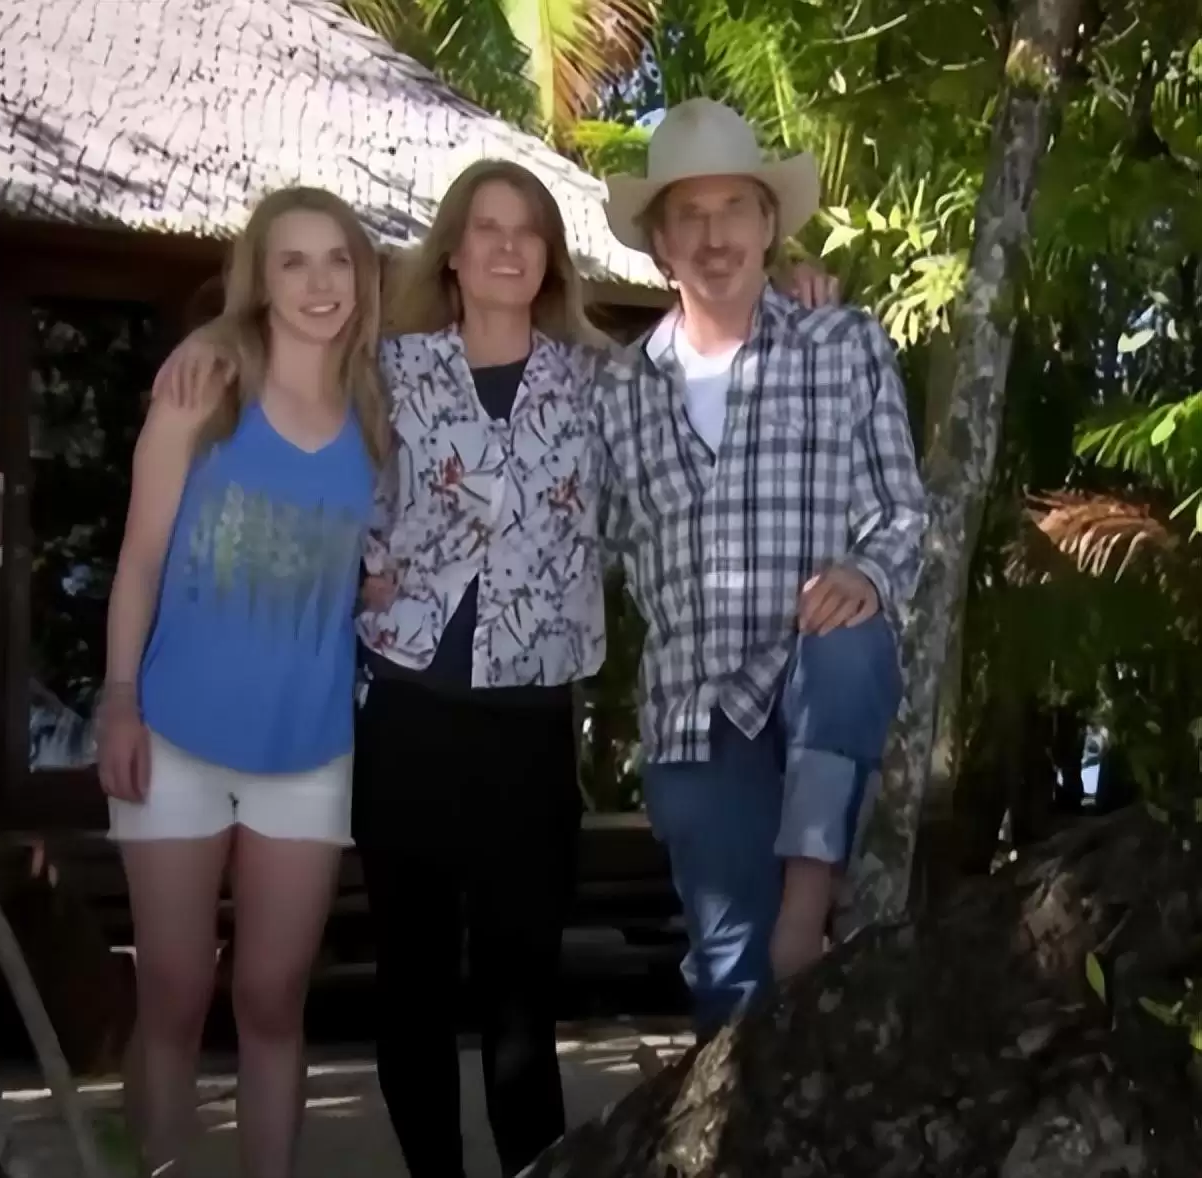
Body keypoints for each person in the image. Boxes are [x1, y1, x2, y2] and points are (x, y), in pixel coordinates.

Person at [149, 159, 837, 1178]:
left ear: (549, 257)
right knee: (413, 987)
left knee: (522, 995)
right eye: (486, 228)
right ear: (453, 253)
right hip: (404, 714)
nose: (507, 247)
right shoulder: (387, 367)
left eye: (527, 231)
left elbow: (710, 348)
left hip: (528, 723)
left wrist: (792, 289)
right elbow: (281, 337)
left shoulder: (603, 381)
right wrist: (210, 336)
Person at [595, 97, 927, 1039]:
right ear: (661, 243)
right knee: (727, 982)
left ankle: (805, 908)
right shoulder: (616, 391)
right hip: (695, 711)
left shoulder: (842, 345)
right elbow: (583, 542)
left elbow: (902, 511)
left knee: (852, 637)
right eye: (690, 216)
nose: (715, 237)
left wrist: (865, 573)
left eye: (734, 208)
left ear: (769, 223)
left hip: (813, 684)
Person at [95, 186, 390, 1178]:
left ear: (362, 278)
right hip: (174, 734)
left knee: (271, 999)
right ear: (260, 280)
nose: (319, 282)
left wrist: (375, 581)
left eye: (338, 259)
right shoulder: (204, 390)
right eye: (293, 261)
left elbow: (370, 559)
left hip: (307, 749)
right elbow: (138, 559)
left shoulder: (378, 414)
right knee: (175, 992)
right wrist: (120, 701)